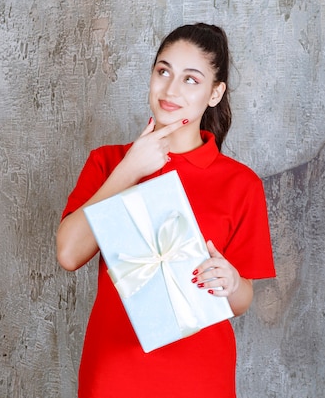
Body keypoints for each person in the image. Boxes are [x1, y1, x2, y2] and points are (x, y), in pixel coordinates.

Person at [57, 23, 276, 398]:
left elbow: (241, 302)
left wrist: (233, 282)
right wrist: (129, 169)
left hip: (200, 377)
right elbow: (68, 253)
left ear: (214, 93)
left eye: (191, 79)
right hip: (114, 374)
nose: (171, 90)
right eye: (163, 71)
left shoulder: (241, 184)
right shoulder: (107, 162)